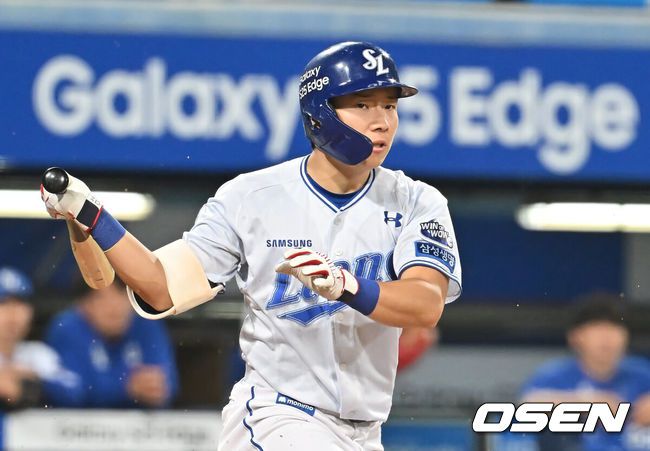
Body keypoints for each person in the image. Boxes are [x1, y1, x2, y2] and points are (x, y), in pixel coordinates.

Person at [40, 41, 462, 450]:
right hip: (278, 416)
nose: (382, 121)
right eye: (363, 104)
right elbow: (161, 286)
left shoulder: (416, 201)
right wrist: (93, 216)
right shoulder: (250, 197)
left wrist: (345, 285)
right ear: (320, 112)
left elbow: (426, 304)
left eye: (390, 105)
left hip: (365, 431)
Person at [520, 294, 650, 451]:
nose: (607, 337)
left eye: (614, 328)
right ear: (575, 336)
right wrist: (590, 404)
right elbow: (528, 405)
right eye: (597, 328)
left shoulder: (642, 373)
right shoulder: (555, 375)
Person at [45, 280, 178, 408]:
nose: (114, 306)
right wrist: (124, 388)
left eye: (121, 295)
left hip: (142, 421)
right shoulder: (67, 328)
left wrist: (155, 389)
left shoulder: (146, 323)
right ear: (82, 304)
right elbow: (68, 391)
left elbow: (169, 383)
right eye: (101, 298)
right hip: (79, 422)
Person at [0, 267, 80, 410]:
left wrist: (31, 382)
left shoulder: (37, 354)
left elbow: (75, 391)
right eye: (4, 303)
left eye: (20, 304)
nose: (13, 313)